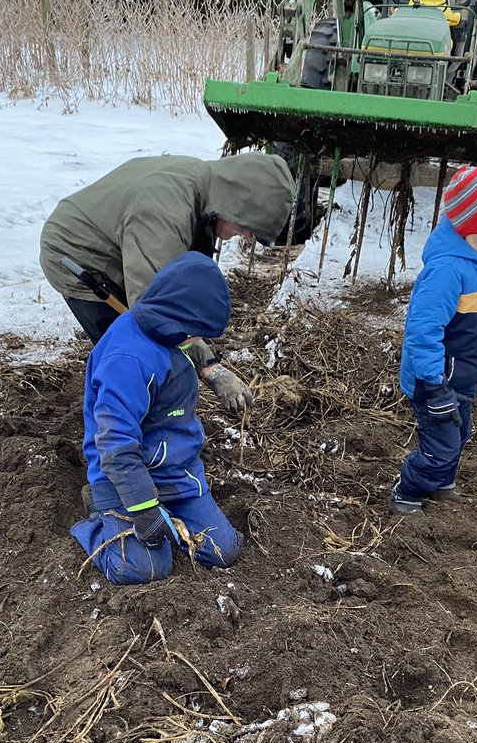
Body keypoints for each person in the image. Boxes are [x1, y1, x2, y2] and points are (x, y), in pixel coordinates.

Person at [40, 152, 295, 415]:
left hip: (122, 250)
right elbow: (156, 310)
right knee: (137, 354)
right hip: (78, 256)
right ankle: (119, 431)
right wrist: (209, 368)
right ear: (233, 199)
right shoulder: (163, 212)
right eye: (245, 226)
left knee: (162, 349)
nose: (246, 235)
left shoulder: (204, 192)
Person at [71, 251, 242, 586]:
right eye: (196, 333)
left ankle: (170, 509)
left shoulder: (171, 332)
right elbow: (115, 444)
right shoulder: (129, 359)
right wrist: (145, 508)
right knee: (144, 567)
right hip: (122, 476)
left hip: (174, 470)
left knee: (221, 552)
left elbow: (173, 406)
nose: (198, 341)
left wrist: (214, 374)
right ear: (177, 319)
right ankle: (95, 521)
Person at [391, 166, 477, 513]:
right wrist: (434, 385)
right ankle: (408, 490)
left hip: (464, 374)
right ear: (474, 220)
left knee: (460, 434)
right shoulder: (446, 272)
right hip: (436, 381)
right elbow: (422, 333)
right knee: (440, 446)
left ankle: (441, 482)